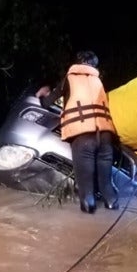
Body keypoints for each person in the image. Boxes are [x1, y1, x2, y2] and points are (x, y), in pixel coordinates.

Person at [39, 50, 119, 214]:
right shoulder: (98, 81)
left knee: (86, 188)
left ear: (77, 62)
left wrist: (42, 95)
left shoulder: (69, 79)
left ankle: (88, 215)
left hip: (83, 136)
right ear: (94, 65)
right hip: (105, 135)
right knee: (106, 185)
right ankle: (111, 206)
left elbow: (47, 103)